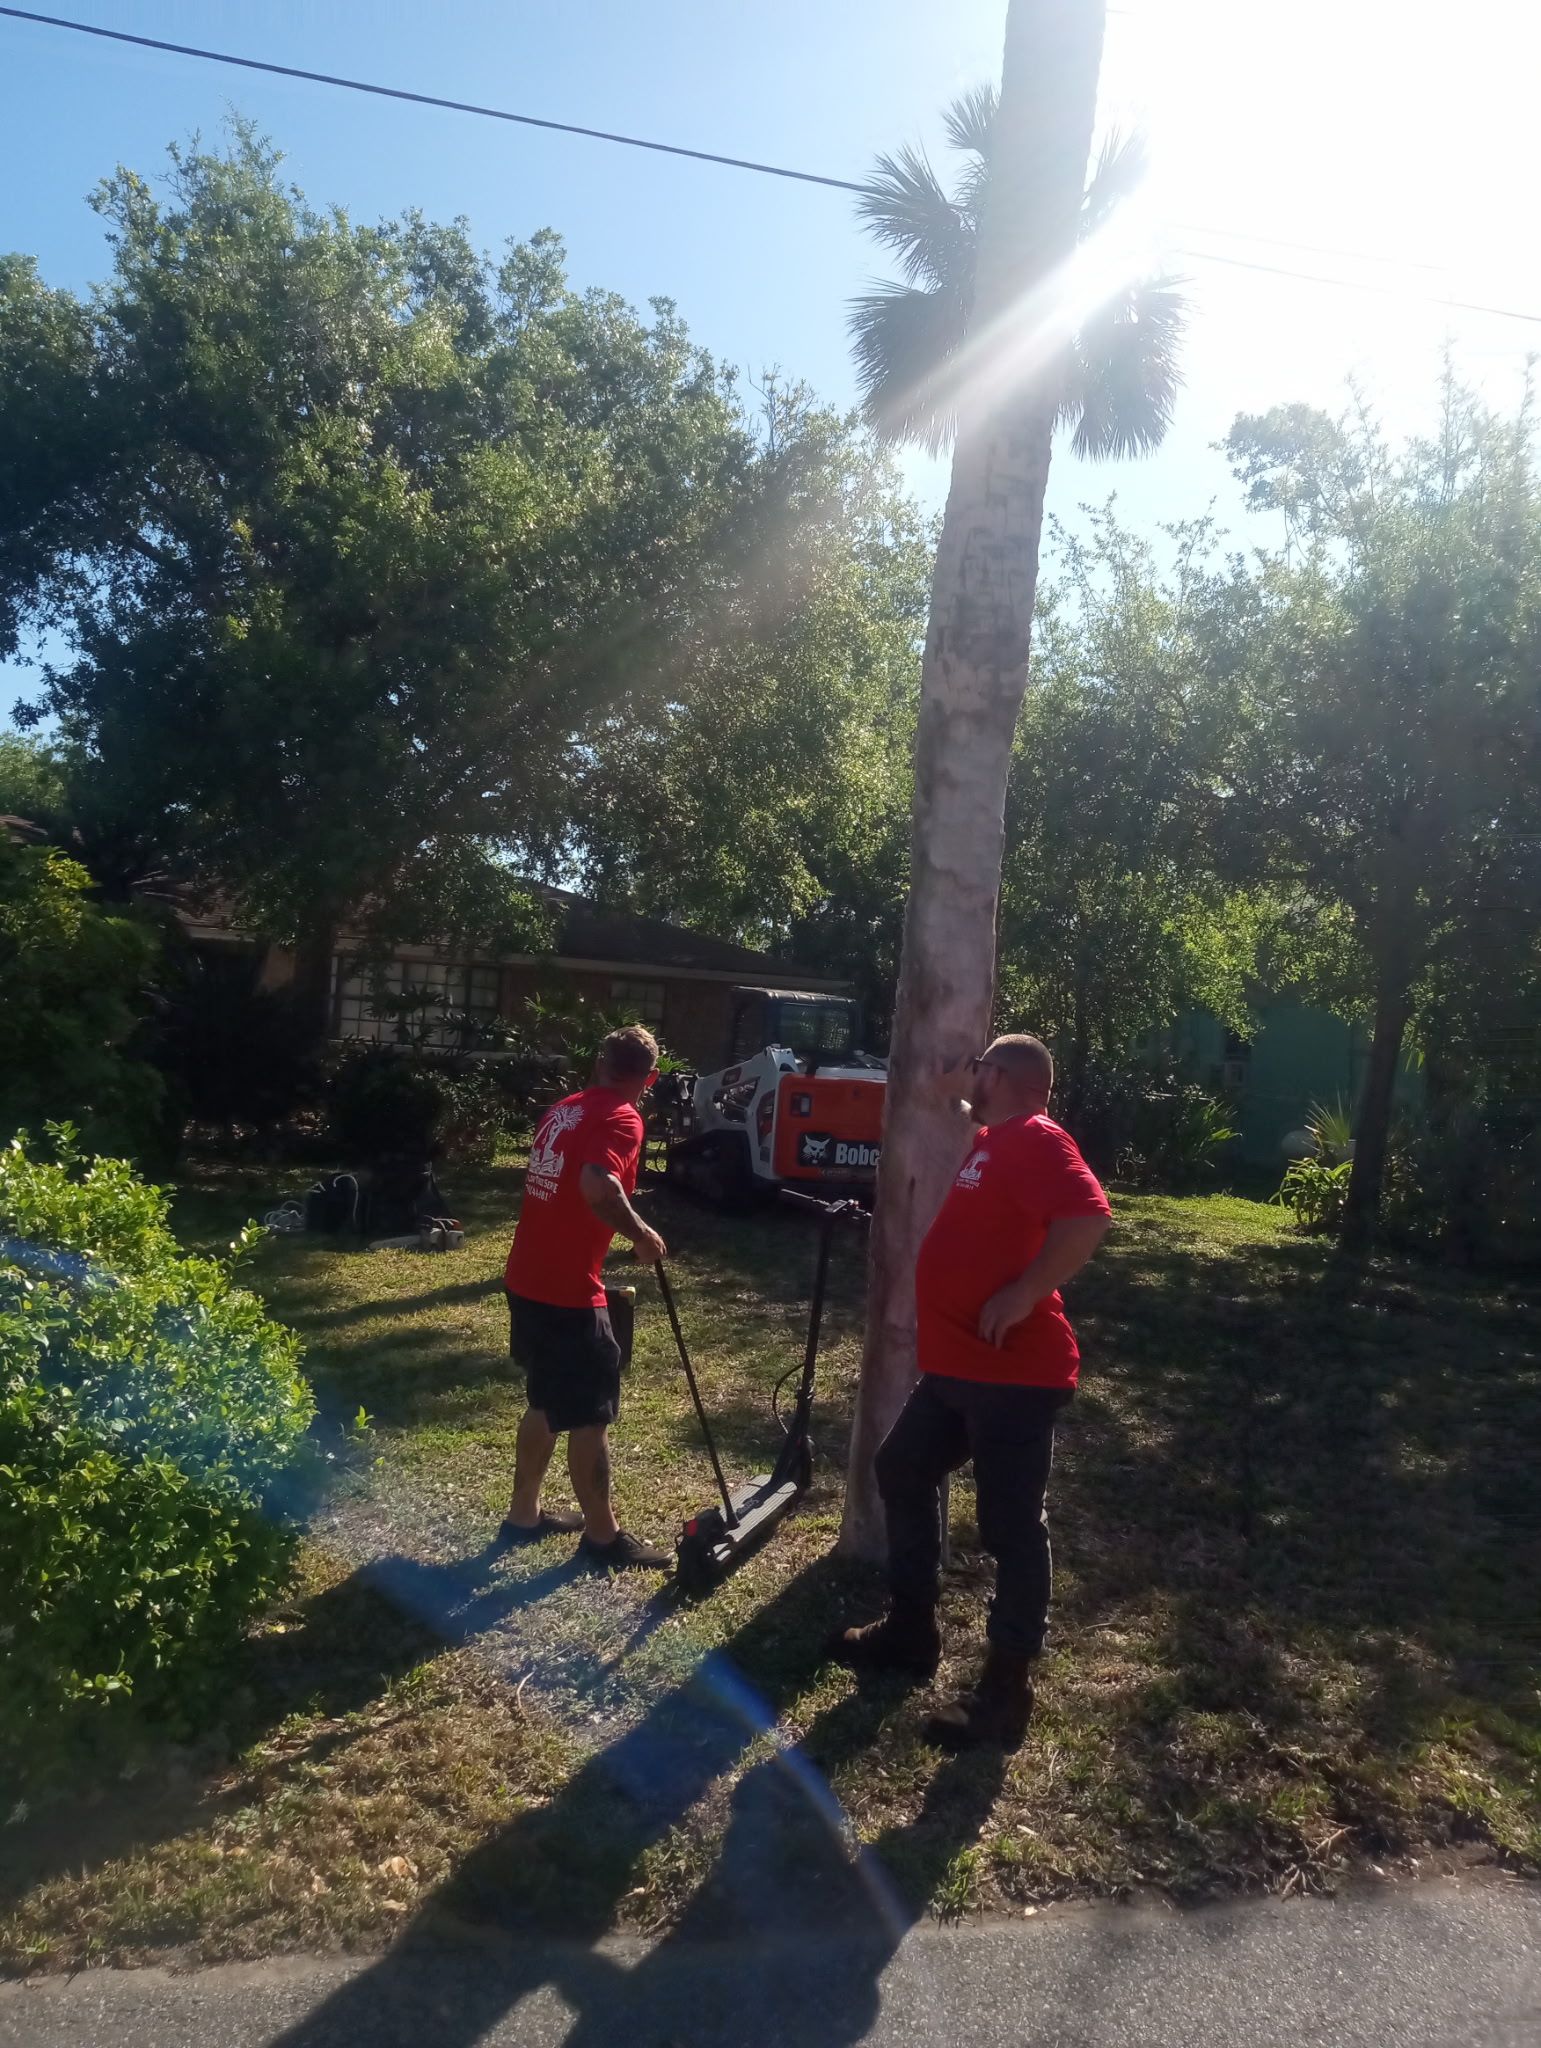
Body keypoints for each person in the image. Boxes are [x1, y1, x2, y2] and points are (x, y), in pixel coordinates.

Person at [829, 1034, 1111, 1749]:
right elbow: (969, 1107)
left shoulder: (1038, 1137)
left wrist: (1022, 1294)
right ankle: (910, 1631)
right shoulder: (994, 1136)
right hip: (958, 1371)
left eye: (983, 1068)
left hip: (1014, 1377)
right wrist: (956, 1085)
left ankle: (1004, 1694)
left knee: (1011, 1530)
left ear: (1010, 1078)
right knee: (901, 1469)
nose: (973, 1081)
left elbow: (1087, 1218)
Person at [499, 1024, 672, 1571]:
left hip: (526, 1277)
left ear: (600, 1062)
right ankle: (603, 1537)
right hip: (569, 1291)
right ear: (651, 1077)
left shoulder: (565, 1108)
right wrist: (642, 1236)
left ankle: (523, 1515)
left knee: (546, 1401)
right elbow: (598, 1184)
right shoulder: (621, 1116)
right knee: (590, 1417)